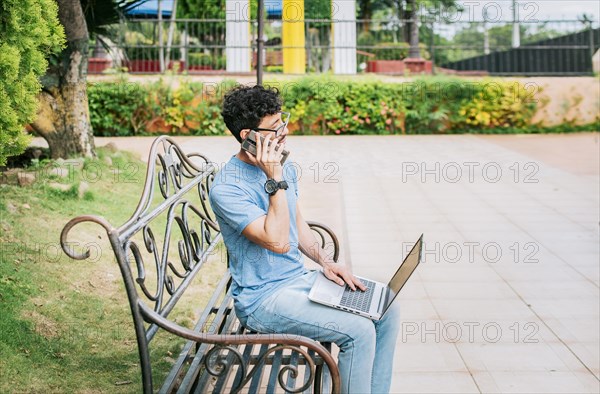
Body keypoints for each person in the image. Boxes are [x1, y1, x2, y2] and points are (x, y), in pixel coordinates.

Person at [208, 85, 401, 394]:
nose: (284, 132)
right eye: (274, 128)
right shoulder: (227, 188)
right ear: (248, 135)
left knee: (386, 309)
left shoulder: (284, 168)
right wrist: (274, 180)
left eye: (282, 121)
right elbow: (279, 241)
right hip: (262, 300)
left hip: (299, 281)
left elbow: (299, 229)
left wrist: (327, 262)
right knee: (358, 331)